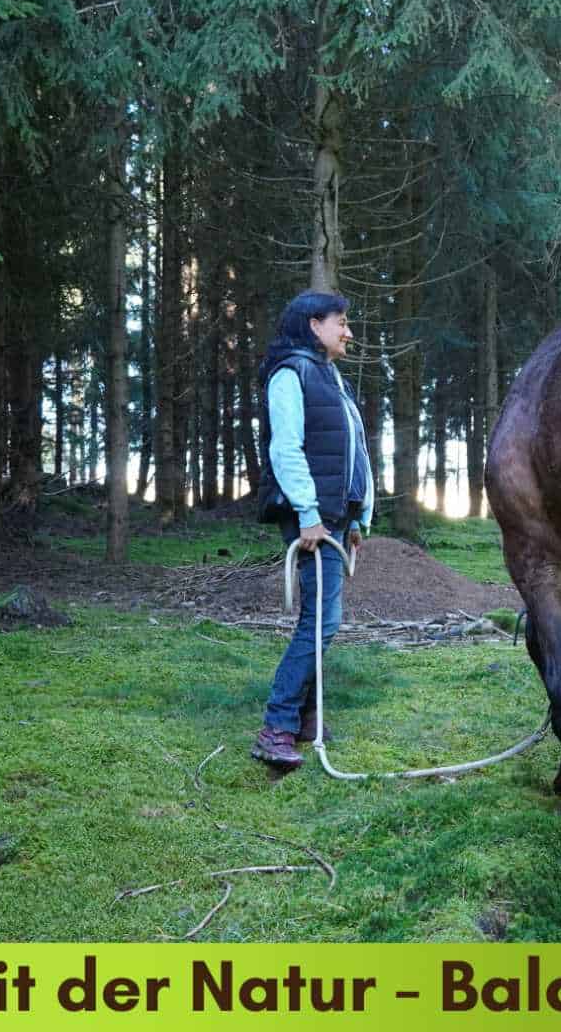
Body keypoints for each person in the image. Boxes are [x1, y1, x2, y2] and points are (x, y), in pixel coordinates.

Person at [252, 290, 373, 769]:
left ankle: (303, 717)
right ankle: (277, 726)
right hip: (312, 520)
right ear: (313, 325)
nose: (348, 331)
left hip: (335, 519)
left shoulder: (331, 378)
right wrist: (307, 512)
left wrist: (360, 515)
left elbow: (356, 450)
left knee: (321, 620)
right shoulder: (291, 373)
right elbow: (286, 449)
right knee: (321, 622)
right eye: (340, 322)